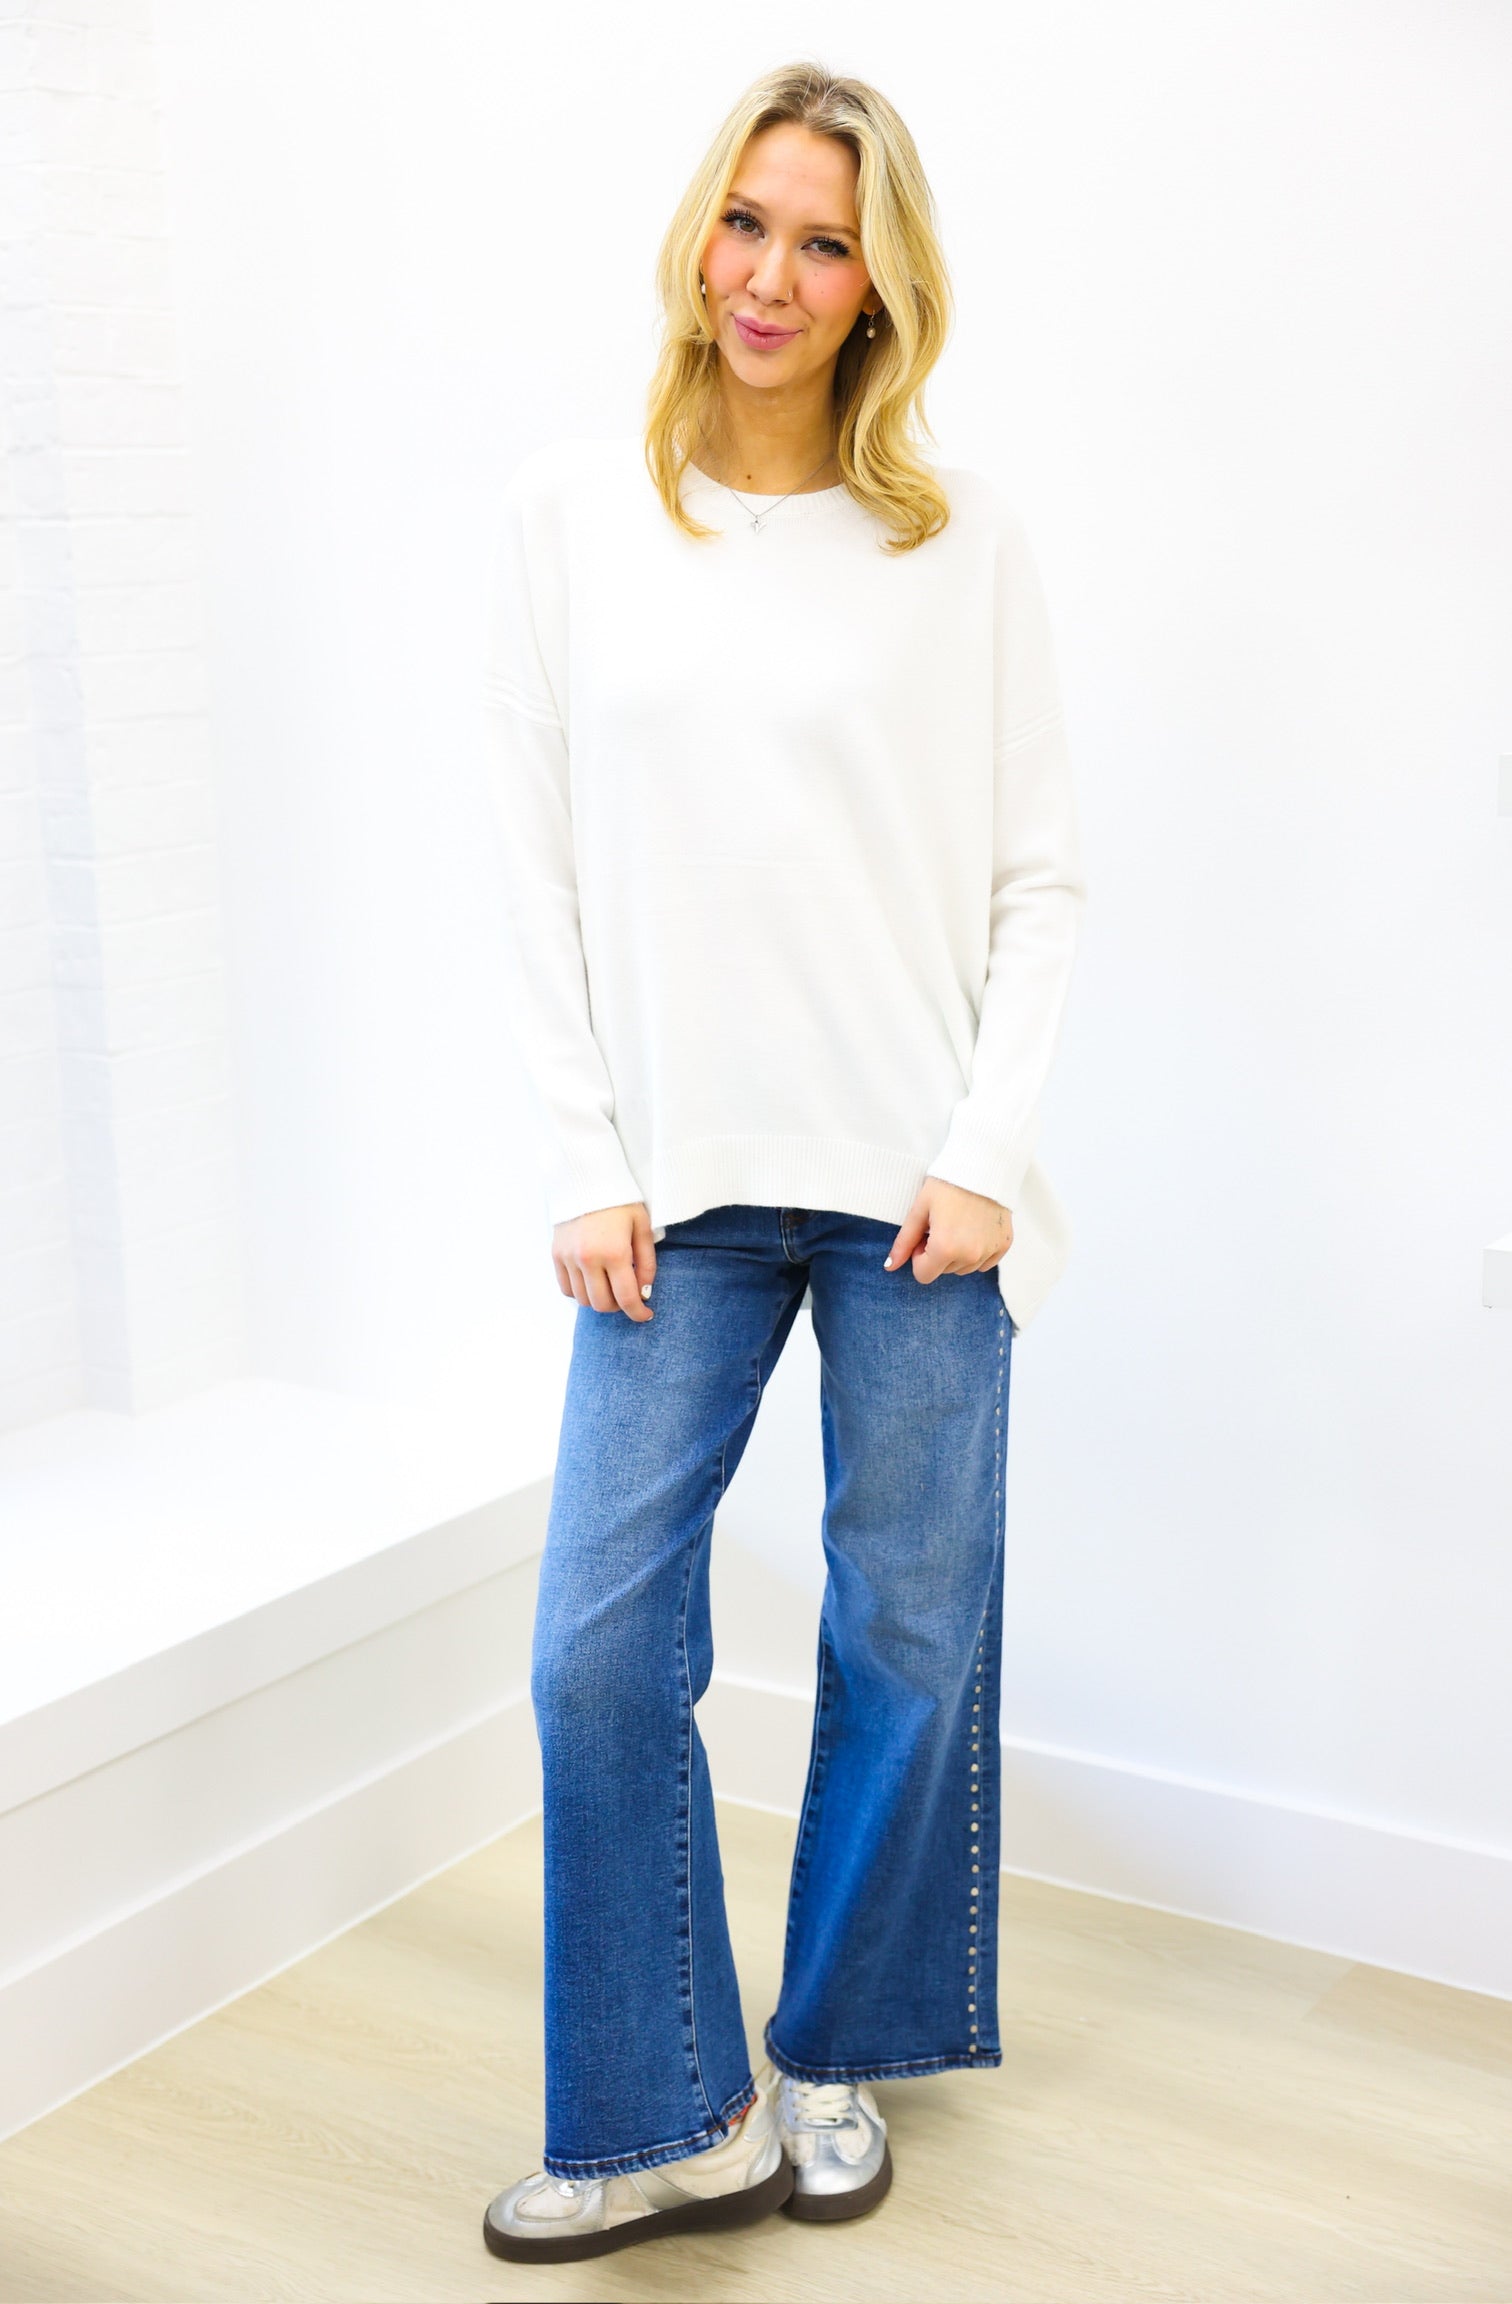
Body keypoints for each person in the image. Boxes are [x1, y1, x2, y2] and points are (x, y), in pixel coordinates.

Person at [478, 57, 1086, 2267]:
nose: (771, 273)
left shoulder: (961, 541)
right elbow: (535, 869)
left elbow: (1041, 881)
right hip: (674, 1191)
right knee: (595, 1647)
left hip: (918, 1179)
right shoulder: (571, 513)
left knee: (907, 1642)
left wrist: (988, 1148)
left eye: (825, 239)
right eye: (749, 220)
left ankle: (827, 2050)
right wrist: (581, 1153)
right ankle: (670, 2110)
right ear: (697, 234)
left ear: (878, 286)